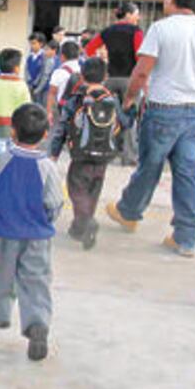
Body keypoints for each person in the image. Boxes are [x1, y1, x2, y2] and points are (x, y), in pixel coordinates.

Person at [106, 0, 195, 258]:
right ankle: (186, 238)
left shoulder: (161, 28)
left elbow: (142, 70)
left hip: (164, 109)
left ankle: (129, 211)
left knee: (150, 167)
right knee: (188, 174)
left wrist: (129, 97)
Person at [0, 103, 64, 361]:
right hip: (38, 234)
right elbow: (54, 203)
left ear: (12, 131)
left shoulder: (2, 161)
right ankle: (37, 323)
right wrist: (46, 220)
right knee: (36, 278)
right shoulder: (47, 167)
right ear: (45, 135)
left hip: (5, 230)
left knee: (3, 272)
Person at [57, 58, 130, 250]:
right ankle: (79, 227)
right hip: (104, 155)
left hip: (81, 154)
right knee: (93, 189)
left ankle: (86, 221)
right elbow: (124, 123)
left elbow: (62, 126)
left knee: (77, 188)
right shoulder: (111, 99)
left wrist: (54, 152)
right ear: (105, 76)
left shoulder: (77, 98)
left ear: (82, 76)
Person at [86, 1, 145, 165]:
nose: (138, 18)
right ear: (129, 14)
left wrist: (101, 67)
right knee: (130, 117)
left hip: (110, 79)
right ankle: (128, 156)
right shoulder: (136, 32)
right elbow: (139, 56)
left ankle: (107, 151)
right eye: (136, 14)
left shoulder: (107, 31)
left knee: (108, 116)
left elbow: (89, 49)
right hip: (129, 79)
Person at [0, 49, 31, 158]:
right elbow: (27, 108)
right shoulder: (22, 86)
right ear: (17, 68)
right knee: (13, 157)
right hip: (15, 129)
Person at [25, 33, 47, 100]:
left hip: (40, 88)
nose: (32, 46)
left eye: (34, 43)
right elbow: (26, 70)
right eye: (30, 43)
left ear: (41, 44)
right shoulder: (30, 56)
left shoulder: (44, 57)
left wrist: (36, 83)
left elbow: (43, 73)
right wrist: (28, 81)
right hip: (30, 86)